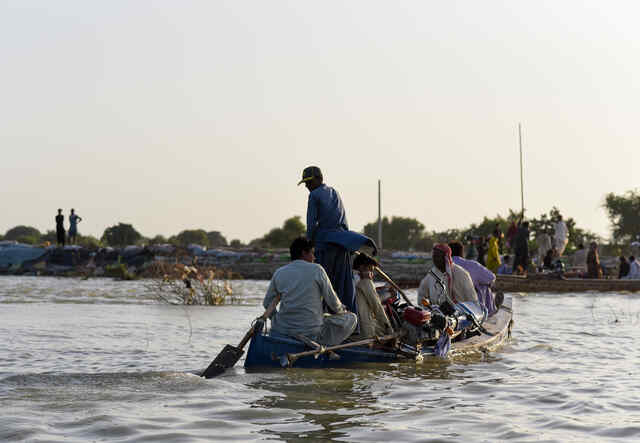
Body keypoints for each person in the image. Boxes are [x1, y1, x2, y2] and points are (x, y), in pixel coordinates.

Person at [299, 166, 375, 313]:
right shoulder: (334, 192)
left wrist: (309, 246)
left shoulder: (314, 195)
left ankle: (321, 320)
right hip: (342, 244)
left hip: (325, 246)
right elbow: (344, 222)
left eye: (309, 182)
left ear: (319, 179)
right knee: (344, 286)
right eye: (305, 183)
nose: (307, 186)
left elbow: (311, 225)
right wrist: (346, 242)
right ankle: (351, 324)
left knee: (322, 285)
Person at [262, 237, 357, 346]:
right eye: (312, 253)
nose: (314, 257)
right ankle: (326, 346)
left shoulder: (279, 272)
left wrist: (277, 321)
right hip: (310, 333)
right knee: (352, 318)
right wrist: (342, 311)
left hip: (282, 330)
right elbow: (333, 303)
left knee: (324, 316)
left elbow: (267, 303)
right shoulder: (317, 270)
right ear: (304, 253)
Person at [352, 253, 393, 338]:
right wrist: (389, 329)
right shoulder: (365, 281)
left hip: (352, 328)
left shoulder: (349, 277)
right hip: (365, 331)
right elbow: (376, 306)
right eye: (370, 269)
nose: (372, 274)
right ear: (362, 267)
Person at [449, 241, 495, 315]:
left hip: (449, 304)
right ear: (462, 252)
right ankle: (490, 311)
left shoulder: (441, 267)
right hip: (471, 307)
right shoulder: (472, 265)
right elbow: (491, 278)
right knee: (484, 285)